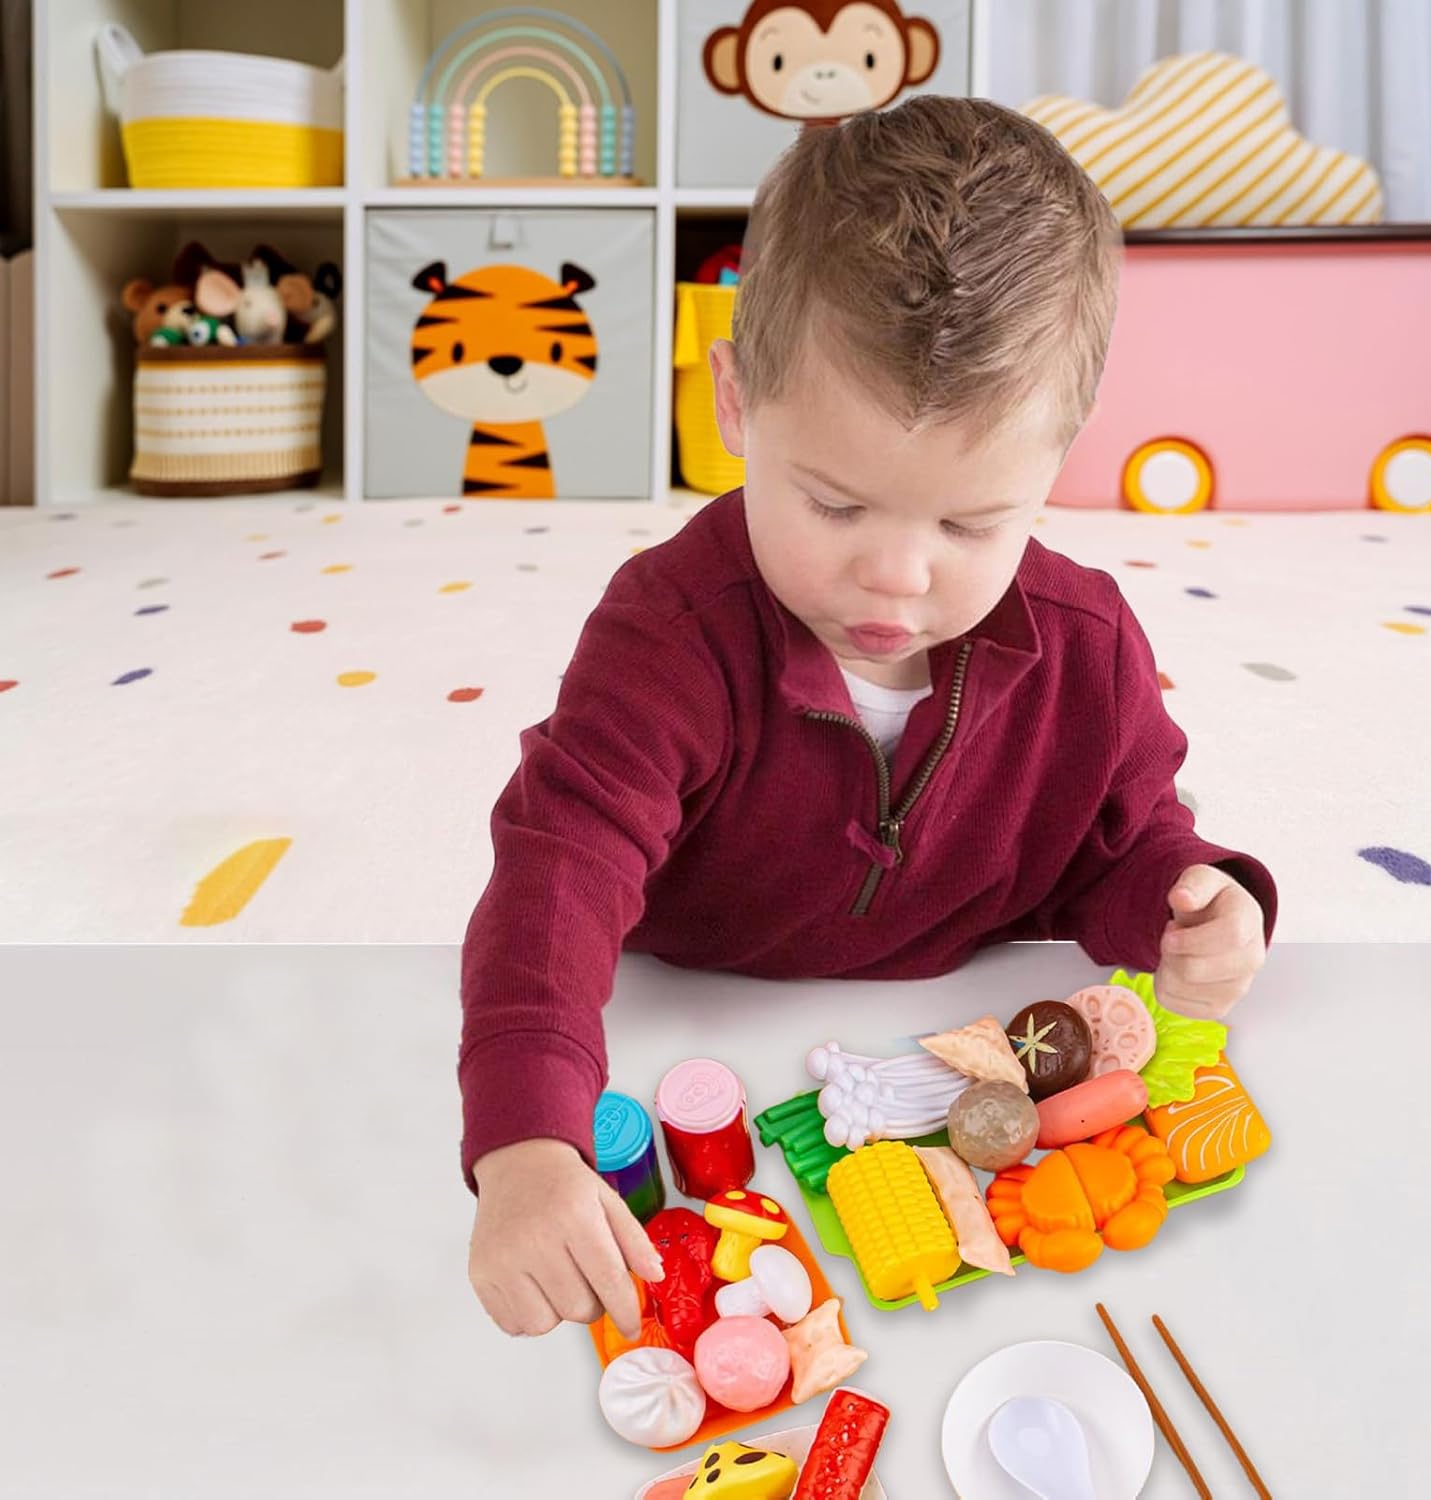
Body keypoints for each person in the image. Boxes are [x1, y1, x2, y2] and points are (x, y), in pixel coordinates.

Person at [461, 96, 1277, 1342]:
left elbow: (1123, 846)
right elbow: (558, 868)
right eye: (835, 506)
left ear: (1055, 462)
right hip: (704, 1008)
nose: (897, 577)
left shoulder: (1088, 643)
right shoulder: (668, 631)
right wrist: (526, 1139)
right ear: (737, 404)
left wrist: (1194, 903)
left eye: (969, 523)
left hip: (953, 1044)